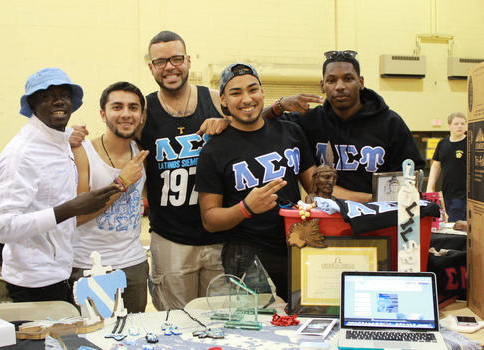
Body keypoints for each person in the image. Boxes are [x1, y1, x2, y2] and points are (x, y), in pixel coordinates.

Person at [0, 68, 120, 303]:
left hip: (62, 273)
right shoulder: (22, 154)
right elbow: (3, 228)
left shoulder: (59, 141)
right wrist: (70, 209)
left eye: (64, 95)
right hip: (32, 284)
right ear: (32, 103)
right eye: (48, 96)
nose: (59, 101)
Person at [195, 63, 316, 301]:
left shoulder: (291, 132)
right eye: (236, 92)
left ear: (262, 93)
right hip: (247, 253)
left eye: (253, 90)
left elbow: (315, 187)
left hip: (297, 244)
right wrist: (246, 208)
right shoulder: (214, 151)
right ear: (223, 100)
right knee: (258, 328)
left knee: (303, 318)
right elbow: (210, 220)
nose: (246, 99)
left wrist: (319, 196)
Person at [138, 30, 228, 310]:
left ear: (188, 61)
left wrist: (228, 123)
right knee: (175, 323)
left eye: (176, 59)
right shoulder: (142, 110)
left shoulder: (215, 100)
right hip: (170, 238)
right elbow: (113, 143)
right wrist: (71, 138)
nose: (169, 67)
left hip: (221, 237)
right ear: (151, 67)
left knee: (223, 321)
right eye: (160, 61)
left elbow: (252, 124)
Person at [265, 50, 425, 202]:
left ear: (361, 82)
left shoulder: (390, 122)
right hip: (328, 219)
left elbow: (410, 177)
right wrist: (280, 104)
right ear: (322, 85)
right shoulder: (309, 120)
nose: (339, 86)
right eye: (331, 80)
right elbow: (253, 121)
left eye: (348, 79)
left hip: (377, 218)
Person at [71, 81, 149, 313]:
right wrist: (121, 183)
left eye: (133, 108)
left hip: (134, 263)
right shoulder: (82, 151)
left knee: (134, 336)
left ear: (142, 115)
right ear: (103, 114)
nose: (126, 114)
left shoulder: (140, 151)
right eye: (117, 107)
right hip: (90, 265)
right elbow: (77, 216)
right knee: (94, 339)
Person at [426, 112, 467, 222]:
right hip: (447, 192)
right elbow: (436, 166)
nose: (460, 126)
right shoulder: (442, 143)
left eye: (463, 123)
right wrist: (430, 187)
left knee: (456, 224)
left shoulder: (469, 143)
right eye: (456, 123)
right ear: (449, 125)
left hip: (463, 194)